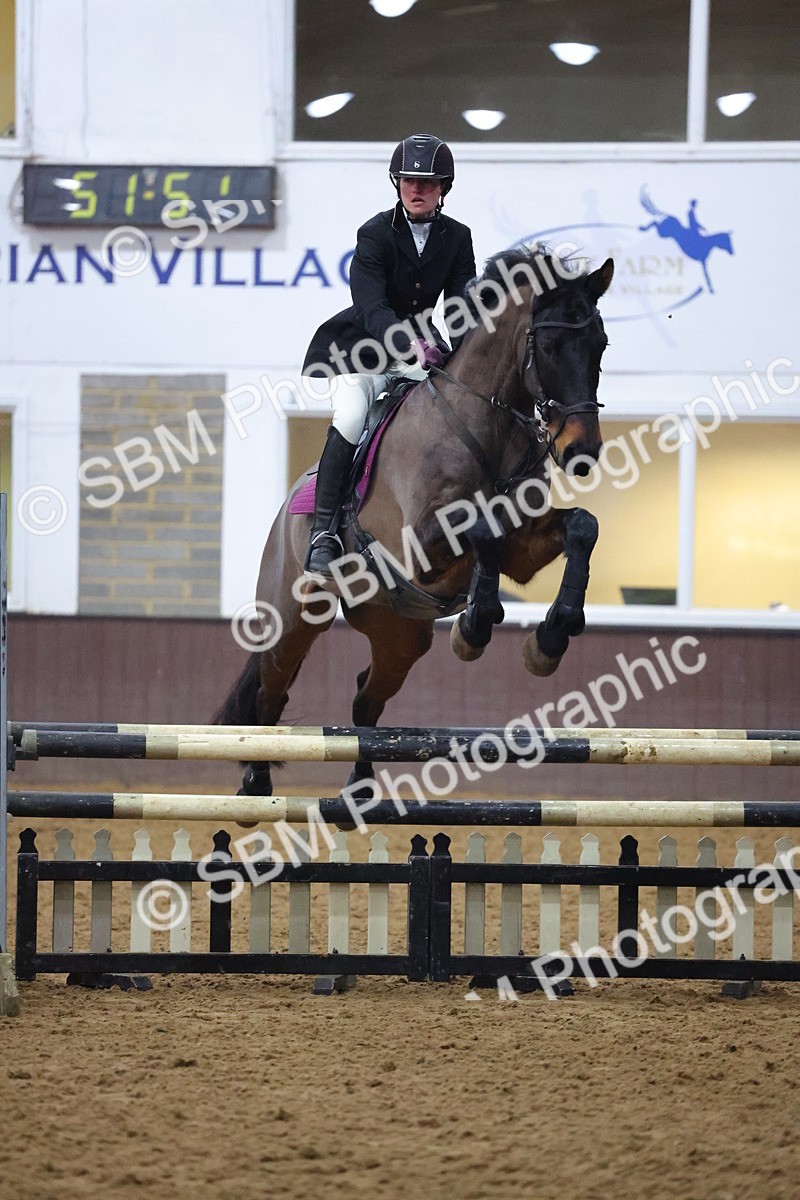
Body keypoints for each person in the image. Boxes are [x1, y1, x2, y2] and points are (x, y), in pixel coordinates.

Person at [300, 133, 476, 576]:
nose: (416, 189)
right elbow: (370, 306)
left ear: (443, 189)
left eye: (428, 182)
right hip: (362, 350)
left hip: (421, 350)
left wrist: (468, 350)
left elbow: (459, 305)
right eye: (408, 180)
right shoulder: (375, 232)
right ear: (397, 183)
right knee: (352, 414)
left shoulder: (458, 237)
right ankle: (324, 532)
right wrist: (408, 343)